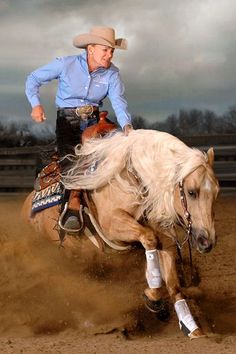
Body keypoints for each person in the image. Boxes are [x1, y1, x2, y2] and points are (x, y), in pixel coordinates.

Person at [25, 26, 133, 231]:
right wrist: (36, 105)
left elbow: (119, 102)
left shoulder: (112, 74)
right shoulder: (66, 64)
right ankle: (72, 206)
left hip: (95, 120)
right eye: (105, 50)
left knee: (116, 157)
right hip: (67, 122)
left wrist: (127, 126)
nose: (109, 55)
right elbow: (33, 79)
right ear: (90, 48)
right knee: (71, 161)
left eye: (112, 51)